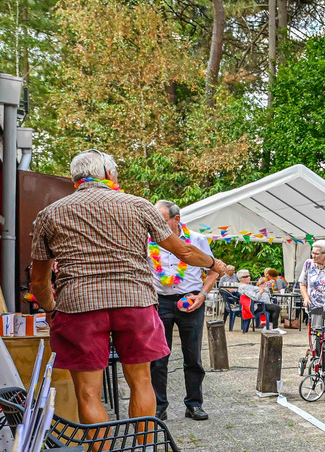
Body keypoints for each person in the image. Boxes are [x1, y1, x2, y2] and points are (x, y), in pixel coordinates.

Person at [29, 150, 229, 424]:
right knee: (141, 381)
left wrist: (51, 309)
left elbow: (39, 281)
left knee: (88, 393)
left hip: (79, 304)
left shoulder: (50, 214)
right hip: (135, 301)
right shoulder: (138, 205)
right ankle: (142, 446)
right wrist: (213, 263)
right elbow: (182, 250)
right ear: (108, 174)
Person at [149, 199, 217, 421]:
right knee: (159, 358)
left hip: (191, 301)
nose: (155, 225)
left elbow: (213, 271)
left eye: (161, 220)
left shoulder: (197, 240)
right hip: (160, 302)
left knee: (193, 357)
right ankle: (159, 406)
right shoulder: (148, 242)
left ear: (176, 219)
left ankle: (194, 404)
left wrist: (202, 295)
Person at [299, 240, 325, 311]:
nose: (313, 256)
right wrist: (306, 298)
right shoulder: (308, 263)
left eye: (316, 254)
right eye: (312, 253)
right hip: (313, 307)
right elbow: (302, 283)